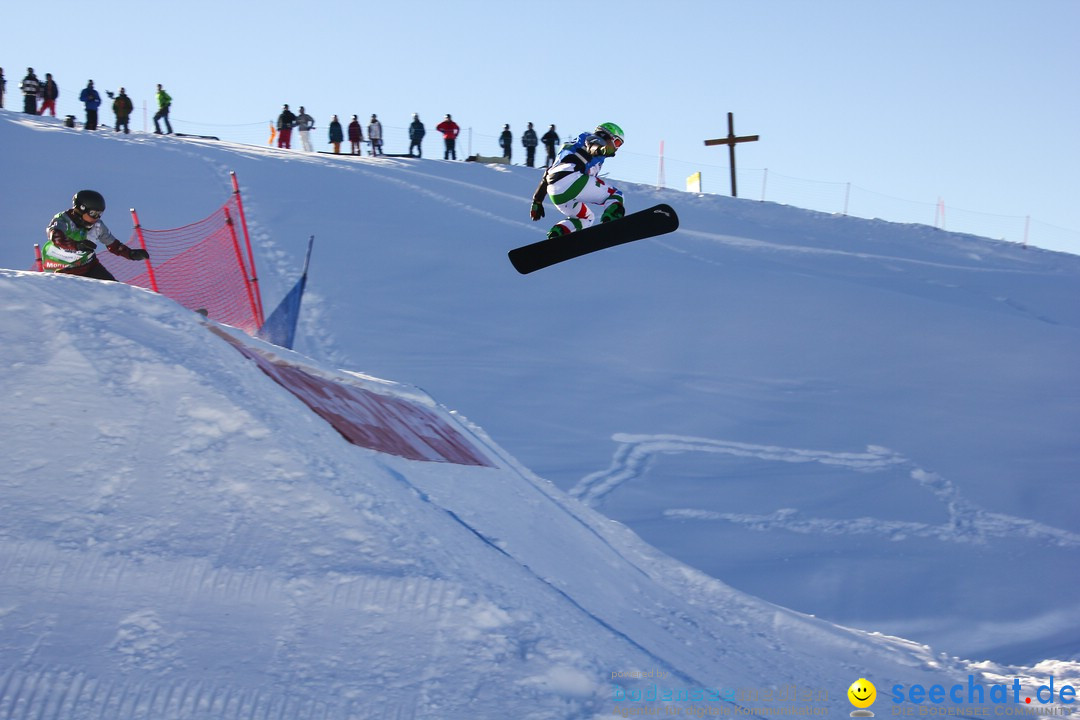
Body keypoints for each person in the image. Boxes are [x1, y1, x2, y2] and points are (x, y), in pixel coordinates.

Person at [529, 122, 625, 239]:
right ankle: (612, 220)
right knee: (616, 195)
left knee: (587, 217)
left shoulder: (573, 146)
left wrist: (537, 201)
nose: (616, 148)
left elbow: (548, 173)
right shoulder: (594, 139)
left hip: (555, 190)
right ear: (606, 135)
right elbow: (592, 146)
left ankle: (558, 233)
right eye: (617, 142)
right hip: (572, 179)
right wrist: (601, 150)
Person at [41, 190, 150, 281]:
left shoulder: (97, 226)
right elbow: (56, 236)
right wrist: (77, 246)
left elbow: (113, 244)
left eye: (99, 214)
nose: (96, 217)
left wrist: (130, 254)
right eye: (93, 213)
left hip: (89, 267)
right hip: (62, 269)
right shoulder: (64, 219)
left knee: (115, 290)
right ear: (81, 208)